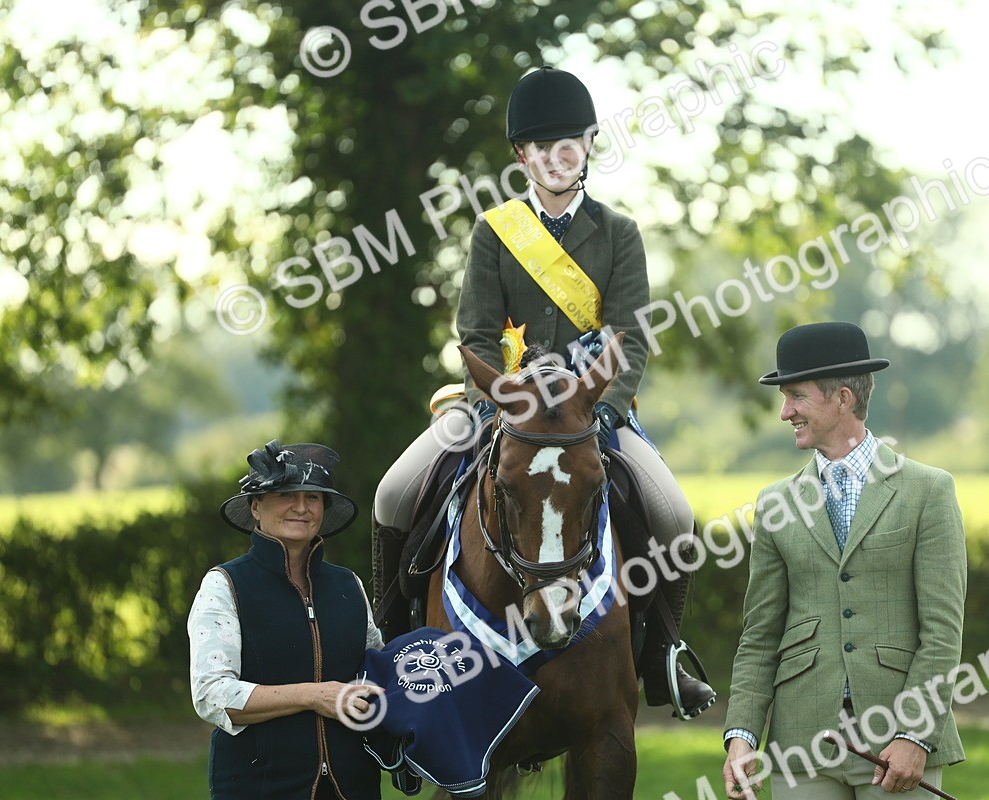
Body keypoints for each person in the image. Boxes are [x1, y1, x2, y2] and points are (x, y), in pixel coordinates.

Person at [373, 65, 716, 720]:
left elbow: (630, 340)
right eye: (541, 147)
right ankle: (388, 643)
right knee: (393, 492)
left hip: (592, 415)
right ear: (521, 156)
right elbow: (475, 334)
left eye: (568, 144)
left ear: (588, 147)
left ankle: (662, 656)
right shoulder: (494, 231)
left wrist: (603, 409)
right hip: (502, 410)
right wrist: (494, 405)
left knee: (674, 514)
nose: (556, 158)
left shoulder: (619, 233)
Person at [721, 322, 968, 799]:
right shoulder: (775, 503)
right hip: (801, 747)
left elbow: (942, 632)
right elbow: (760, 636)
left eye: (796, 396)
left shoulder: (928, 491)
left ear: (842, 399)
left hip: (897, 743)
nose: (785, 412)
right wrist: (742, 736)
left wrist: (915, 735)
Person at [189, 440, 386, 800]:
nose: (301, 507)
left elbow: (376, 672)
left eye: (313, 498)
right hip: (259, 788)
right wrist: (314, 696)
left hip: (353, 786)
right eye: (286, 495)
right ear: (255, 507)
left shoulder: (349, 585)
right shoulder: (225, 584)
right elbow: (212, 695)